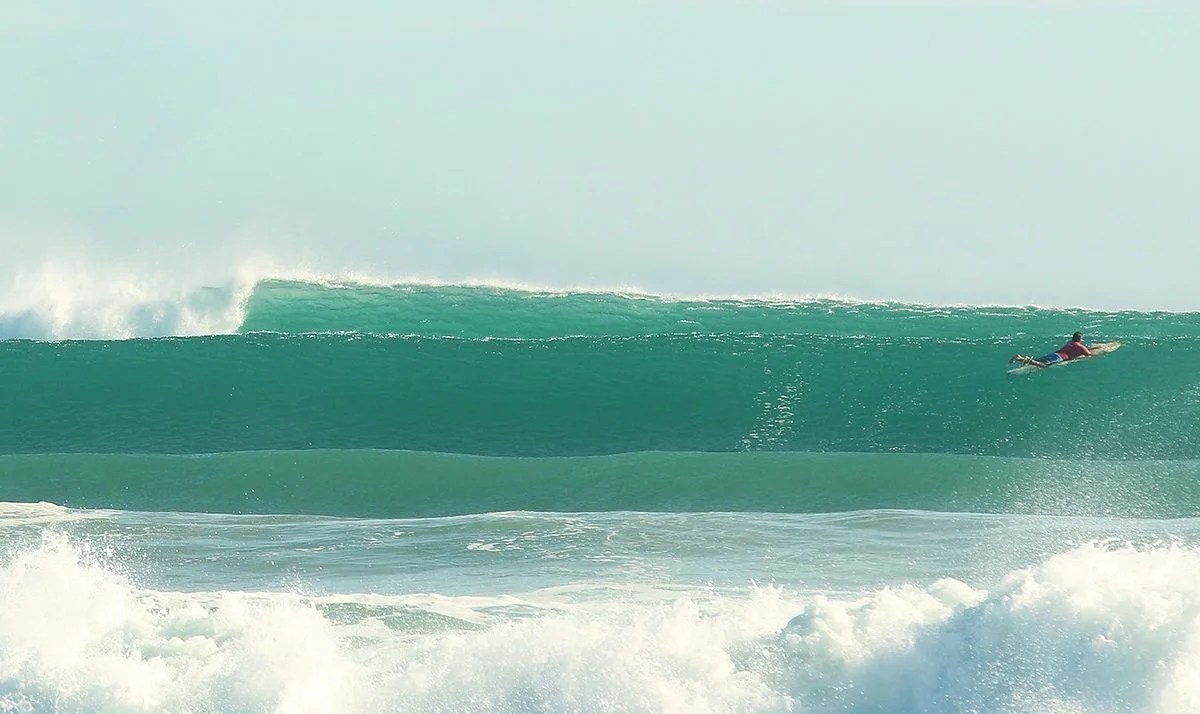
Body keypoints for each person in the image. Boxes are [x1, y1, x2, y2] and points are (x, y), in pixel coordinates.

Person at [1010, 332, 1094, 368]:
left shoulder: (1069, 343)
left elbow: (1062, 350)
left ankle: (1023, 359)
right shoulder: (1080, 346)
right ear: (1079, 339)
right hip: (1059, 358)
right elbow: (1089, 355)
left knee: (1037, 360)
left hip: (1054, 354)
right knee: (1043, 365)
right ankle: (1020, 358)